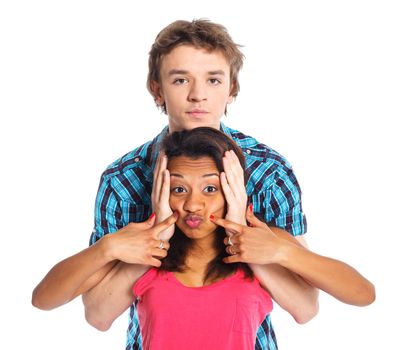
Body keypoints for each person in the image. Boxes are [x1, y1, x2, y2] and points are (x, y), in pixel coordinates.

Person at [81, 18, 319, 350]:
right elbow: (97, 314)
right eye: (180, 80)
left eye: (213, 80)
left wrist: (242, 234)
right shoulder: (122, 180)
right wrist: (154, 239)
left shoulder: (269, 172)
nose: (197, 96)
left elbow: (306, 306)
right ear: (156, 88)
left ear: (232, 88)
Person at [32, 127, 374, 350]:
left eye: (210, 188)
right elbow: (54, 303)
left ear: (232, 190)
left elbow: (357, 296)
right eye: (179, 188)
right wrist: (108, 247)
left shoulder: (263, 246)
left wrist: (280, 252)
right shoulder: (145, 249)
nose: (193, 204)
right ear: (161, 191)